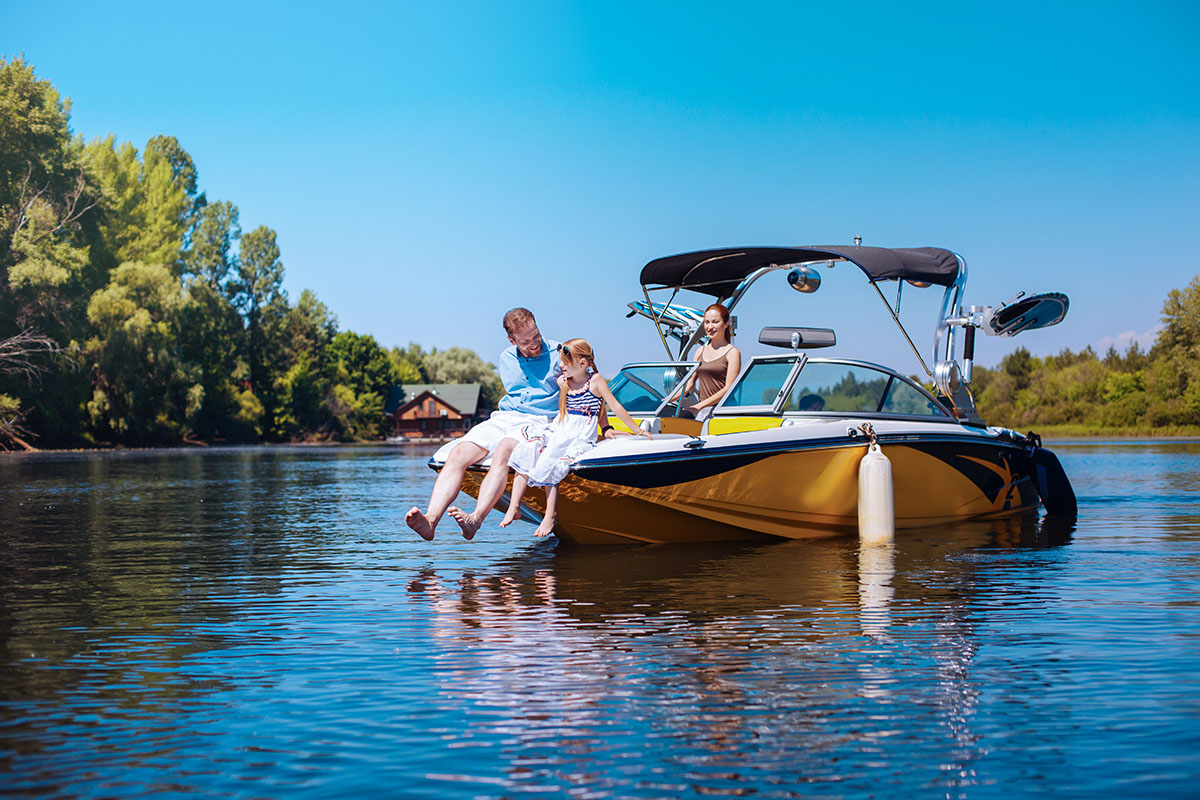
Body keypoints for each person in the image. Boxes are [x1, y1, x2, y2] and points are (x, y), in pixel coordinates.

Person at [406, 308, 560, 541]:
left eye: (536, 336)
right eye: (525, 341)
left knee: (502, 452)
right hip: (505, 417)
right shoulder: (506, 358)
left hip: (538, 420)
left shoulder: (560, 353)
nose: (534, 344)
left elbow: (588, 378)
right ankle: (431, 520)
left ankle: (475, 519)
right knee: (458, 453)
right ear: (512, 340)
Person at [487, 338, 651, 538]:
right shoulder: (564, 382)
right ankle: (514, 506)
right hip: (561, 427)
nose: (561, 366)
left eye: (565, 362)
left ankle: (550, 514)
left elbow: (610, 406)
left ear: (583, 364)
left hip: (580, 433)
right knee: (527, 450)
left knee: (553, 460)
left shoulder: (596, 381)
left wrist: (635, 430)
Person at [676, 303, 742, 419]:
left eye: (715, 322)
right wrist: (664, 401)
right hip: (704, 411)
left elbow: (728, 389)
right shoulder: (699, 351)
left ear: (726, 324)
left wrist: (698, 407)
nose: (709, 327)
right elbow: (689, 384)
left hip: (723, 412)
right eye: (707, 322)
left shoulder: (732, 353)